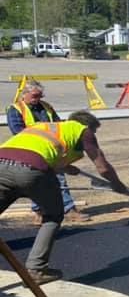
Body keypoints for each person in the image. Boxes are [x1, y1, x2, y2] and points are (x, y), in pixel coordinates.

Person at [0, 111, 127, 284]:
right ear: (87, 125)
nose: (92, 136)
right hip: (30, 170)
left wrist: (66, 167)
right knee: (53, 215)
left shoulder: (44, 127)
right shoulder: (83, 130)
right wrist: (117, 184)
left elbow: (40, 151)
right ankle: (36, 269)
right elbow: (103, 167)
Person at [7, 81, 89, 223]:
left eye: (40, 95)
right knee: (36, 181)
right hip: (31, 150)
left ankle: (69, 209)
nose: (38, 98)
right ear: (24, 94)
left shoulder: (47, 107)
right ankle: (39, 211)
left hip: (52, 150)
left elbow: (59, 125)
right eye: (35, 95)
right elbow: (17, 131)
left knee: (60, 179)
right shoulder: (15, 109)